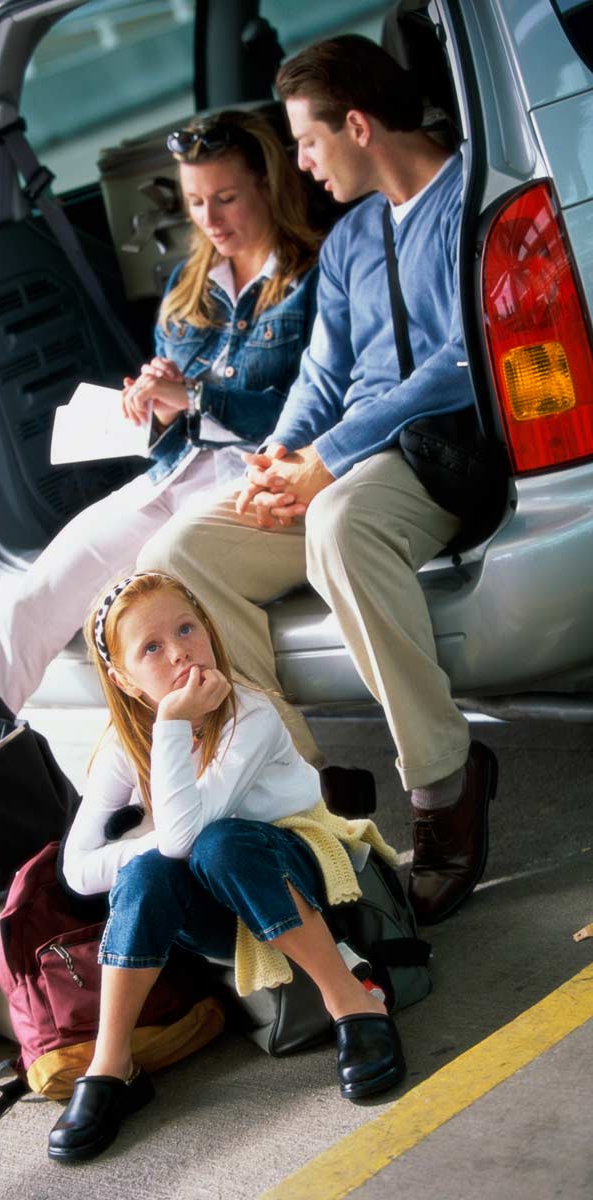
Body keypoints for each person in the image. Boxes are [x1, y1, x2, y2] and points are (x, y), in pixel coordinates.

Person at [0, 108, 321, 859]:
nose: (211, 219)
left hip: (251, 485)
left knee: (161, 578)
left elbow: (313, 403)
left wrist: (197, 399)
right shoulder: (188, 285)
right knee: (30, 608)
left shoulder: (311, 280)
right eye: (196, 202)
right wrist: (154, 397)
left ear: (267, 187)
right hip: (170, 475)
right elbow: (177, 413)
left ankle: (255, 802)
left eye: (227, 198)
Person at [135, 35, 498, 928]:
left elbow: (461, 361)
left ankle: (444, 782)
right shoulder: (351, 242)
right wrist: (277, 461)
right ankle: (300, 797)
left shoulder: (471, 205)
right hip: (339, 463)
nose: (298, 162)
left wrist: (324, 462)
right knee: (184, 552)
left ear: (360, 126)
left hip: (434, 456)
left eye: (305, 141)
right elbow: (322, 382)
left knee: (338, 520)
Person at [48, 571, 406, 1163]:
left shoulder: (251, 713)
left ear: (209, 631)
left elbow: (190, 837)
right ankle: (113, 1064)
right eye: (152, 648)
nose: (180, 651)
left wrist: (171, 725)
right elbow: (78, 870)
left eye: (187, 628)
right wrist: (155, 841)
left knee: (218, 844)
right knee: (145, 874)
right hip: (224, 909)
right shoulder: (123, 743)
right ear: (123, 678)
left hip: (298, 870)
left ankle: (351, 999)